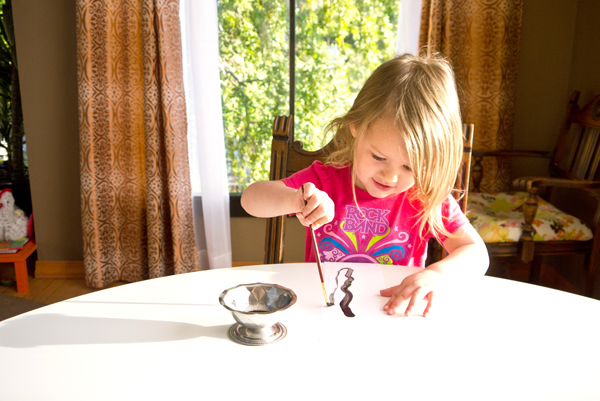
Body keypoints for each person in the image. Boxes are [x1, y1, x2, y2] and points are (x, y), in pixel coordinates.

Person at [241, 53, 489, 317]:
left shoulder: (424, 196)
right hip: (323, 314)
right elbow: (251, 199)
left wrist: (437, 274)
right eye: (378, 157)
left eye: (409, 167)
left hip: (393, 316)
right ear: (355, 126)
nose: (390, 177)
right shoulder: (326, 180)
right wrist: (294, 199)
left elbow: (475, 253)